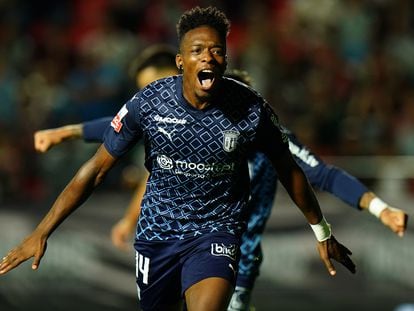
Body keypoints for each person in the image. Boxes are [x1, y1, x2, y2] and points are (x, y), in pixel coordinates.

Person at [0, 6, 356, 311]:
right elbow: (95, 171)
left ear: (225, 59)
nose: (208, 57)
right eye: (198, 50)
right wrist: (42, 232)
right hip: (158, 234)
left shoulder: (250, 109)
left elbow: (289, 170)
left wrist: (321, 231)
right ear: (181, 61)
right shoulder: (150, 103)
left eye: (217, 50)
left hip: (216, 231)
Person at [36, 68, 408, 311]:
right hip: (171, 242)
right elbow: (126, 126)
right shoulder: (182, 123)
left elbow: (321, 174)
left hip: (232, 251)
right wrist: (67, 132)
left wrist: (380, 209)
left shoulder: (261, 131)